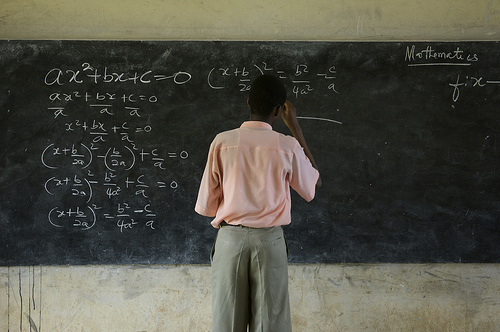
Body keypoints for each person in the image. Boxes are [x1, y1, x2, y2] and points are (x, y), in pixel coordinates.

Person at [195, 74, 321, 332]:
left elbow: (207, 204)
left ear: (248, 101)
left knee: (227, 325)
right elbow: (314, 186)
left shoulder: (222, 142)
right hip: (269, 242)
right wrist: (296, 129)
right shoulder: (287, 145)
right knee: (271, 325)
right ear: (279, 110)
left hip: (230, 241)